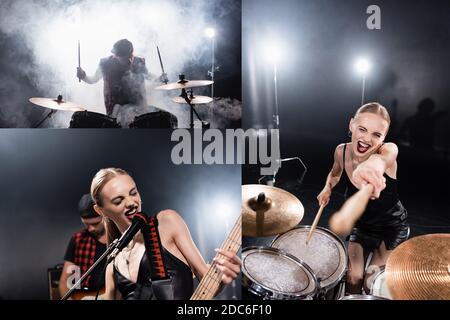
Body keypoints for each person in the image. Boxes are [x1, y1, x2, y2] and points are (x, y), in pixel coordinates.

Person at [90, 168, 241, 300]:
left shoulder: (166, 222)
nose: (131, 202)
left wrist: (223, 275)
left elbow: (208, 283)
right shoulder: (112, 263)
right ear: (101, 211)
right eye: (118, 200)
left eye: (133, 193)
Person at [317, 102, 409, 295]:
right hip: (362, 224)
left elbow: (383, 159)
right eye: (362, 129)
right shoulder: (341, 151)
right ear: (351, 125)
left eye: (377, 134)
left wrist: (373, 166)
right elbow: (334, 173)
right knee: (353, 278)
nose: (367, 139)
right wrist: (327, 188)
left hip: (390, 227)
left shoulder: (388, 150)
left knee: (371, 281)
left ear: (384, 138)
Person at [77, 39, 168, 116]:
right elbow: (93, 80)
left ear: (131, 53)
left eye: (129, 56)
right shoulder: (106, 64)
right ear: (116, 56)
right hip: (115, 110)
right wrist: (83, 76)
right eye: (123, 58)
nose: (128, 60)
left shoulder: (138, 62)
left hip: (138, 108)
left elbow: (148, 75)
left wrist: (159, 79)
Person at [59, 194, 107, 298]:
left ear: (105, 215)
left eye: (95, 224)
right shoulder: (78, 239)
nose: (91, 229)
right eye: (87, 224)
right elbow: (64, 281)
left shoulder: (120, 238)